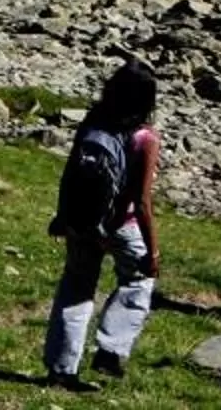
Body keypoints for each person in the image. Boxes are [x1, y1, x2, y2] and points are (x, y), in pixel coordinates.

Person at [42, 59, 163, 392]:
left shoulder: (94, 120)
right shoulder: (145, 137)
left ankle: (60, 370)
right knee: (138, 279)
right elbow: (141, 202)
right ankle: (110, 349)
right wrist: (152, 251)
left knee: (76, 289)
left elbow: (71, 169)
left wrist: (63, 215)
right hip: (120, 226)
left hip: (82, 221)